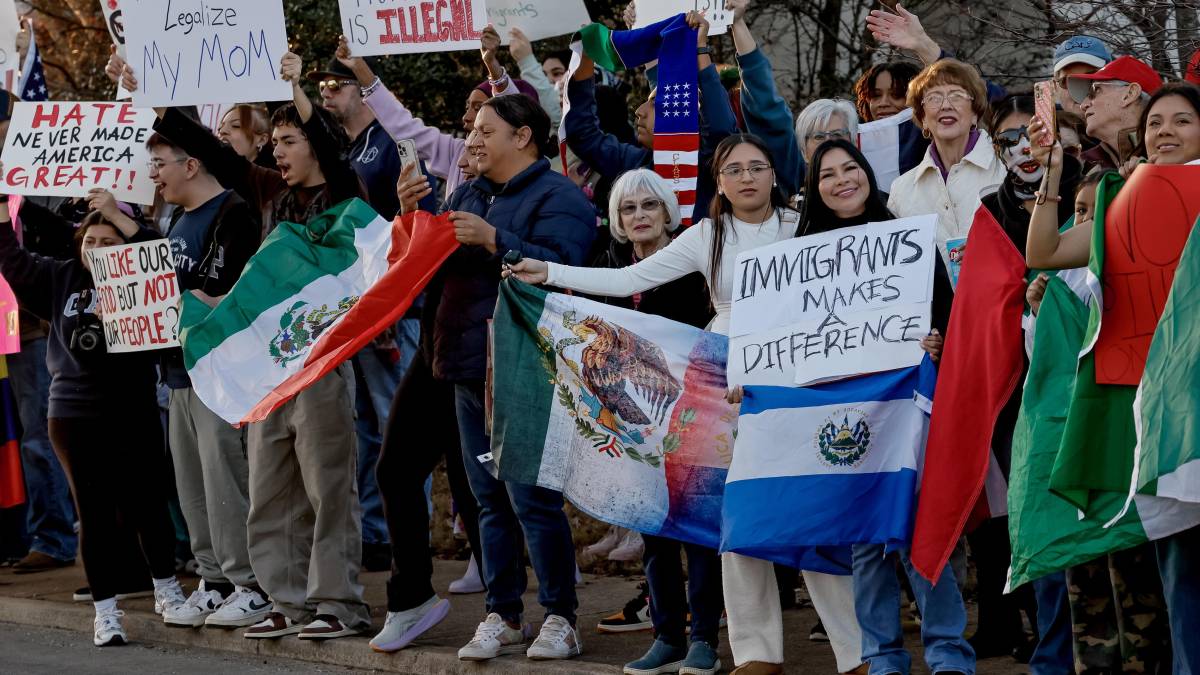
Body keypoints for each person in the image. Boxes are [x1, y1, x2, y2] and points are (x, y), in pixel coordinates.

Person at [507, 134, 865, 675]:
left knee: (806, 511)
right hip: (722, 379)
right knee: (731, 515)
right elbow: (628, 278)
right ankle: (756, 653)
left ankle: (856, 652)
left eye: (757, 167)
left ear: (774, 174)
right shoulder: (706, 234)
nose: (747, 177)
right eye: (734, 169)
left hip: (795, 380)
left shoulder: (803, 227)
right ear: (719, 181)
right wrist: (550, 272)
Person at [116, 50, 372, 640]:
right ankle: (287, 602)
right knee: (271, 491)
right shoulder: (266, 193)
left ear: (313, 145)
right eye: (274, 142)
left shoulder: (344, 193)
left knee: (328, 490)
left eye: (289, 141)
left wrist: (297, 87)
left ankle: (338, 603)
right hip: (269, 373)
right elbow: (213, 151)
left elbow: (331, 147)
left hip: (321, 365)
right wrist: (155, 98)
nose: (277, 152)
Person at [434, 94, 595, 662]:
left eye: (485, 130)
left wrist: (495, 240)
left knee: (532, 498)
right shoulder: (468, 193)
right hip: (466, 365)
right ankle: (502, 615)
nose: (472, 140)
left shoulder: (560, 197)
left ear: (522, 137)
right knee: (488, 499)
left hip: (526, 367)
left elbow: (567, 269)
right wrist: (414, 217)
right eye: (472, 130)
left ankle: (560, 618)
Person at [0, 195, 187, 647]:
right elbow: (12, 260)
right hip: (73, 414)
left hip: (132, 408)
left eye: (109, 241)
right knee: (94, 514)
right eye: (91, 241)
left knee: (147, 504)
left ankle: (167, 591)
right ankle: (106, 614)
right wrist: (2, 207)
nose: (98, 249)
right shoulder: (60, 276)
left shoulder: (144, 278)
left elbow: (153, 250)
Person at [576, 169, 721, 675]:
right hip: (634, 426)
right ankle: (667, 636)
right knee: (652, 534)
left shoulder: (694, 267)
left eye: (649, 205)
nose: (639, 215)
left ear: (668, 212)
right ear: (617, 219)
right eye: (628, 208)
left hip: (693, 416)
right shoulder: (605, 269)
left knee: (697, 533)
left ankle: (704, 639)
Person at [143, 132, 266, 628]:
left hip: (218, 374)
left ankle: (249, 584)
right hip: (177, 373)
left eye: (159, 164)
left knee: (224, 480)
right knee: (192, 485)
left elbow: (234, 296)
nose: (153, 175)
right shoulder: (175, 219)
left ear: (191, 165)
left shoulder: (234, 214)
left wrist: (188, 301)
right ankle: (213, 580)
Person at [563, 11, 737, 224]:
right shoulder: (637, 164)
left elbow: (721, 127)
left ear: (686, 115)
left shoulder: (710, 162)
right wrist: (586, 55)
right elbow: (583, 136)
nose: (639, 110)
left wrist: (700, 48)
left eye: (655, 103)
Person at [887, 59, 1006, 276]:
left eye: (956, 95)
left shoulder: (1007, 169)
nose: (945, 105)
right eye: (934, 98)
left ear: (975, 113)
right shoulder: (901, 191)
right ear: (923, 118)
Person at [1066, 55, 1162, 171]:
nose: (1083, 105)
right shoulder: (1081, 167)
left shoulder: (1170, 157)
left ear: (1130, 94)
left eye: (1095, 91)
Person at [1051, 36, 1113, 116]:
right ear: (1055, 87)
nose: (1081, 88)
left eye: (1092, 78)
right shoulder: (1044, 122)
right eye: (1068, 81)